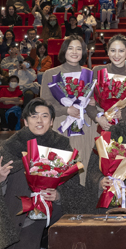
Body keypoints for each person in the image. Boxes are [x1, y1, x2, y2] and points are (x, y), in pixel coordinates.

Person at [0, 99, 93, 249]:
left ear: (51, 121)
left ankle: (48, 239)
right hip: (20, 215)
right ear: (25, 121)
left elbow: (73, 186)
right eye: (34, 116)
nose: (39, 121)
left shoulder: (61, 144)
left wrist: (58, 195)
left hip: (50, 210)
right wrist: (0, 179)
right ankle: (16, 245)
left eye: (45, 116)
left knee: (82, 203)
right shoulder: (11, 146)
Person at [38, 35, 98, 170]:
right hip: (61, 123)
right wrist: (66, 110)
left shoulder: (89, 73)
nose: (74, 52)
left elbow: (94, 101)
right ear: (64, 50)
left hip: (84, 125)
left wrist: (94, 102)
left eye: (78, 49)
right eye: (70, 48)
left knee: (85, 162)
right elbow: (45, 104)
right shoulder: (50, 73)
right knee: (61, 165)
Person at [93, 34, 126, 125]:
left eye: (121, 51)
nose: (116, 55)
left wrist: (123, 115)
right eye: (113, 50)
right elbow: (88, 101)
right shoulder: (97, 71)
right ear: (108, 52)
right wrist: (98, 118)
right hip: (100, 122)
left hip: (125, 125)